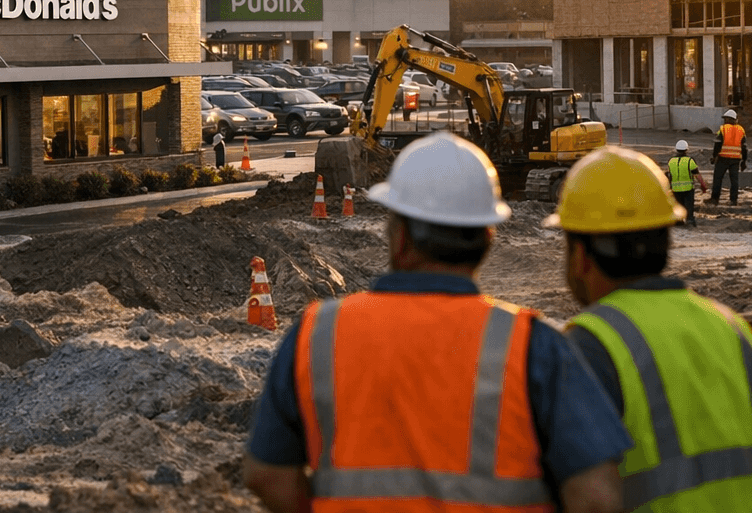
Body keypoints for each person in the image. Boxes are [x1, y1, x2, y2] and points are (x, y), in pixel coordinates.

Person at [244, 132, 629, 513]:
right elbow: (597, 496)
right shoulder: (533, 345)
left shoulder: (318, 333)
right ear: (488, 238)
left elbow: (267, 476)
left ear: (399, 237)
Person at [547, 146, 752, 512]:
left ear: (579, 257)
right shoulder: (732, 329)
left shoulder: (591, 345)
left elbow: (593, 500)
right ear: (668, 239)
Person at [710, 109, 747, 206]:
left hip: (723, 158)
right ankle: (733, 200)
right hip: (736, 159)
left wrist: (714, 157)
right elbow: (744, 147)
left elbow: (717, 144)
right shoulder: (741, 130)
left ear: (727, 119)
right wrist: (744, 161)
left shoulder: (722, 129)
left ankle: (714, 199)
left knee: (718, 178)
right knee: (734, 180)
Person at [666, 140, 707, 228]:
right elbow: (697, 174)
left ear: (676, 150)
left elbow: (669, 175)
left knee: (678, 205)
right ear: (686, 150)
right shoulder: (689, 161)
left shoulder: (671, 161)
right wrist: (703, 185)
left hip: (675, 189)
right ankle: (690, 221)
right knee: (689, 206)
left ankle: (678, 221)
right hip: (688, 188)